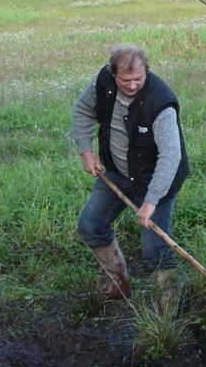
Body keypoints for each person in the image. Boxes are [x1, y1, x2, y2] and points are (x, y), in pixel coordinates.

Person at [73, 44, 189, 299]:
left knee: (155, 249)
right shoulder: (103, 82)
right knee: (91, 225)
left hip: (154, 180)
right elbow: (82, 111)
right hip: (116, 172)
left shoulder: (161, 102)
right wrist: (87, 152)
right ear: (113, 74)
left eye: (138, 79)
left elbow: (171, 156)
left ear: (146, 71)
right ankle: (118, 284)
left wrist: (151, 201)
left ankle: (168, 304)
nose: (133, 85)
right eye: (126, 80)